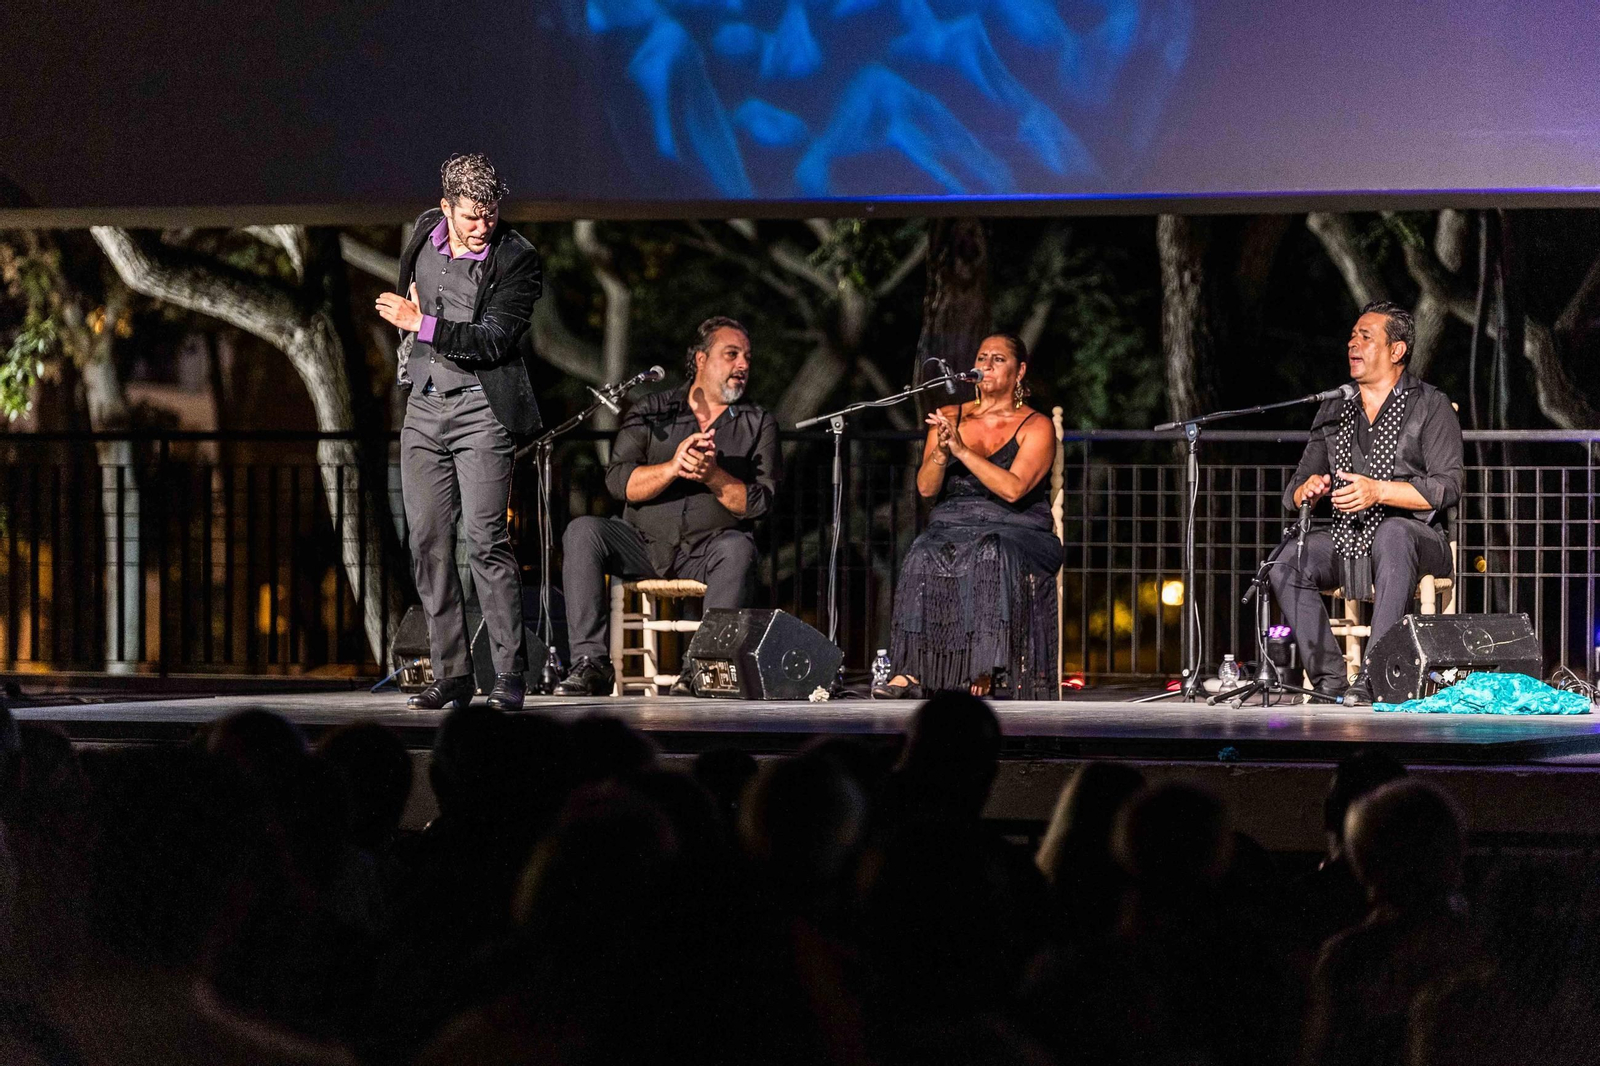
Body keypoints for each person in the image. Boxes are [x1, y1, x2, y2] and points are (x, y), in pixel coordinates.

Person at [376, 154, 543, 713]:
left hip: (481, 410)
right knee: (426, 541)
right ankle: (451, 673)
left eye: (490, 215)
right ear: (446, 207)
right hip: (423, 405)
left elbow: (493, 341)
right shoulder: (424, 229)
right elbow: (414, 287)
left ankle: (509, 672)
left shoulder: (517, 259)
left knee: (485, 539)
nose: (481, 226)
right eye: (471, 215)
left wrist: (416, 322)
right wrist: (413, 334)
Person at [556, 317, 780, 696]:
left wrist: (712, 475)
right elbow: (619, 482)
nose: (743, 365)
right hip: (642, 543)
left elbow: (760, 503)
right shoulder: (653, 411)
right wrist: (674, 466)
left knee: (739, 549)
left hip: (709, 549)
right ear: (702, 359)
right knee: (583, 532)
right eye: (732, 355)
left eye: (747, 357)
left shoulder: (758, 423)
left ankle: (702, 667)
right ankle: (590, 663)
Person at [1269, 301, 1463, 705]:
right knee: (1286, 562)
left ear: (1397, 351)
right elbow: (1294, 489)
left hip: (1418, 540)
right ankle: (1329, 679)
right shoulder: (1335, 406)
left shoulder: (1431, 405)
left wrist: (1379, 491)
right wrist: (1308, 489)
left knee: (1392, 532)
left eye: (1365, 336)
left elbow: (1448, 486)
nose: (1352, 344)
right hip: (1349, 537)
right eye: (1352, 336)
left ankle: (1377, 673)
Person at [874, 333, 1059, 699]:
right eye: (982, 357)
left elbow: (1013, 489)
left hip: (1018, 529)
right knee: (924, 549)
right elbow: (926, 489)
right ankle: (911, 669)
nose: (986, 365)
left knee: (991, 550)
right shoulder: (949, 415)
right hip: (955, 523)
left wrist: (962, 450)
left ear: (1019, 371)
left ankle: (984, 667)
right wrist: (942, 453)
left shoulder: (1036, 425)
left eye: (998, 359)